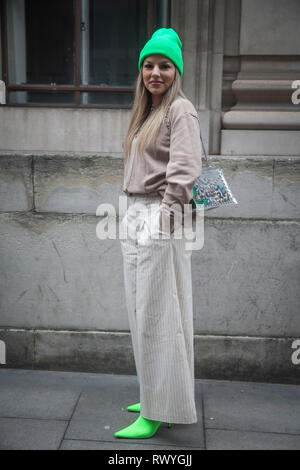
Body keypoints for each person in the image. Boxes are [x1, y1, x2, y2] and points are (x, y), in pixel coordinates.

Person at [114, 27, 203, 439]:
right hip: (134, 213)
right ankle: (156, 393)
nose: (155, 72)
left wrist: (161, 226)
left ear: (176, 71)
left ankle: (156, 410)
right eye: (149, 65)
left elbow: (184, 172)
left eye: (165, 65)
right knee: (143, 311)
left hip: (157, 216)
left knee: (157, 314)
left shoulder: (179, 110)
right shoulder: (147, 111)